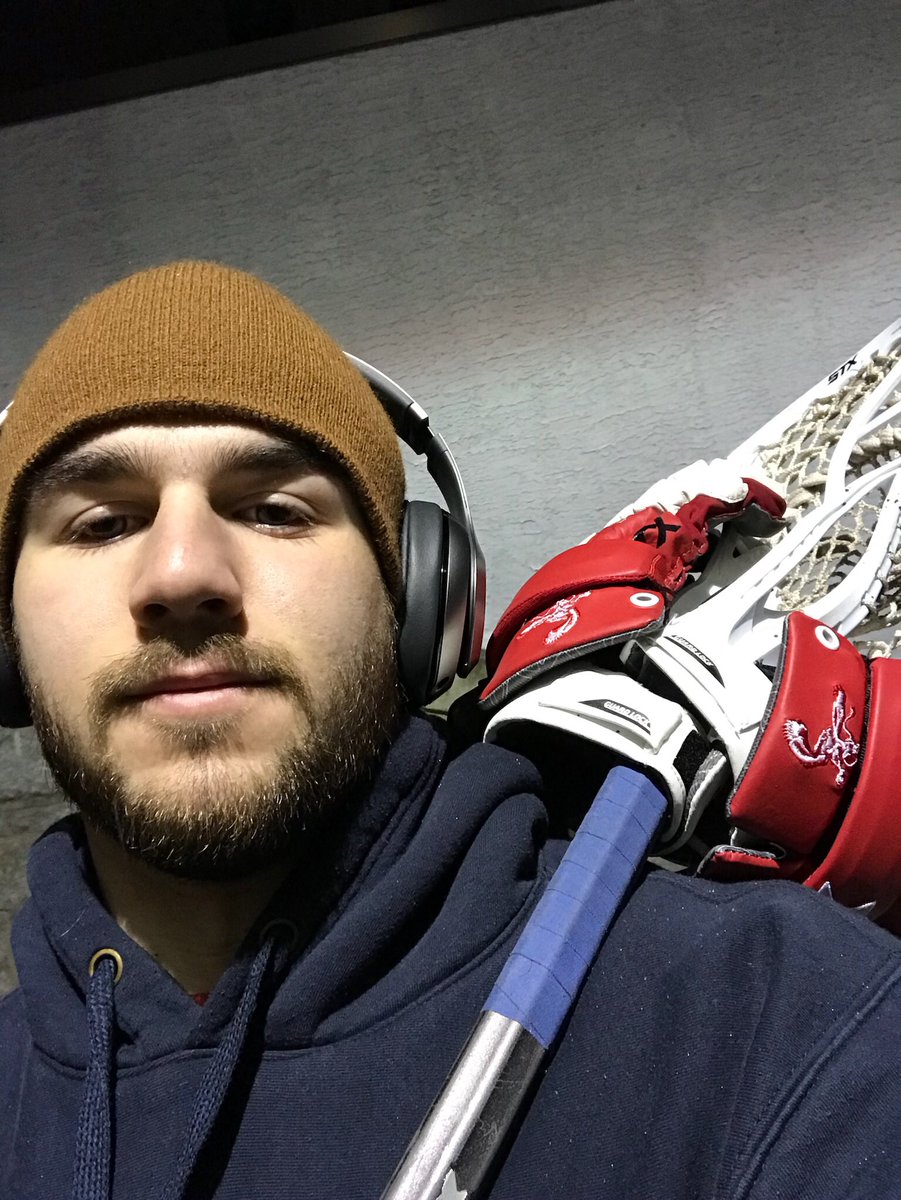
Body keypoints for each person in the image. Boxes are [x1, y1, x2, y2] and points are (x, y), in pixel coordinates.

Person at [0, 261, 899, 1200]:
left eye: (273, 510)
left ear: (420, 602)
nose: (183, 573)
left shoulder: (786, 1025)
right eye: (101, 524)